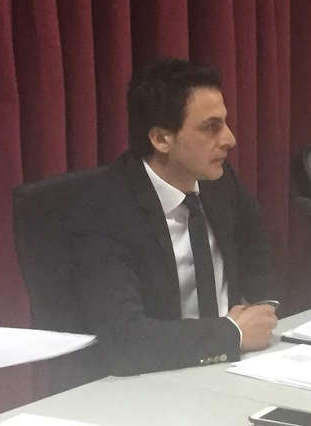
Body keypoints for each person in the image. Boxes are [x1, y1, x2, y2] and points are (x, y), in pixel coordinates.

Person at [69, 59, 278, 376]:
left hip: (240, 365)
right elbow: (124, 338)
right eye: (211, 127)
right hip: (158, 377)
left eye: (225, 123)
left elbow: (259, 259)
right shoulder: (103, 211)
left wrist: (264, 310)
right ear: (161, 139)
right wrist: (232, 334)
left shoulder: (219, 181)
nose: (230, 139)